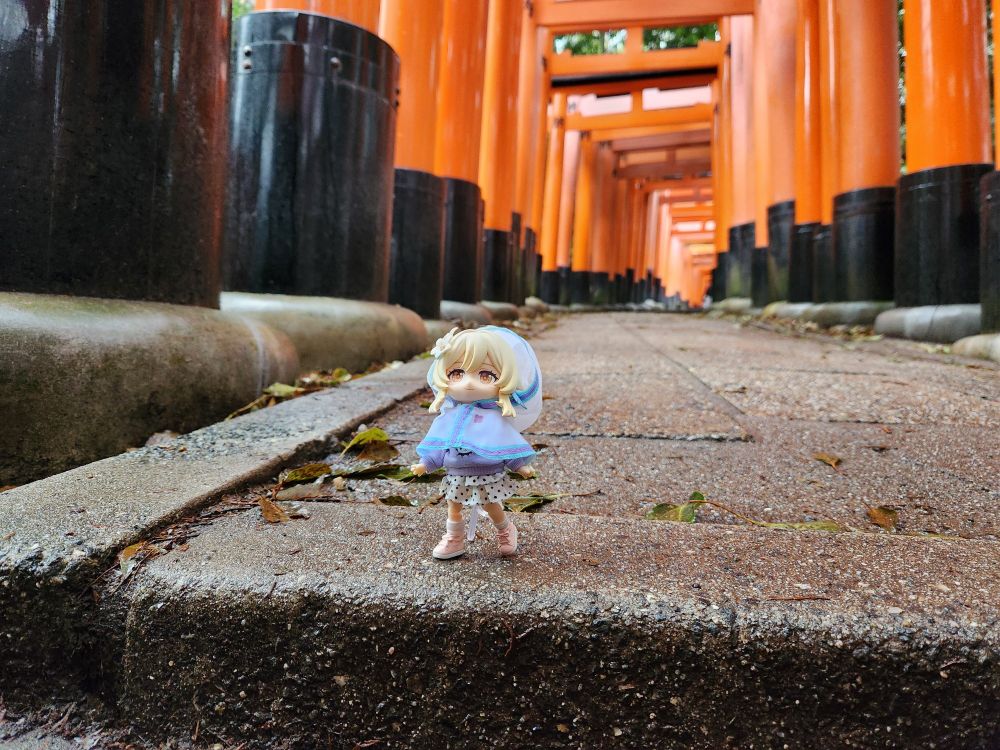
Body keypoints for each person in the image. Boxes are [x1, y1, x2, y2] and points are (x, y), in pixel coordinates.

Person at [410, 326, 543, 560]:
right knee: (453, 504)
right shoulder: (449, 416)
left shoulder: (494, 416)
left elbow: (503, 441)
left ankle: (505, 529)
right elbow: (440, 443)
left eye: (486, 375)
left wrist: (519, 464)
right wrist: (427, 463)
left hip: (486, 470)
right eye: (457, 373)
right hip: (455, 471)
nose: (469, 383)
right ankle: (454, 539)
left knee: (491, 504)